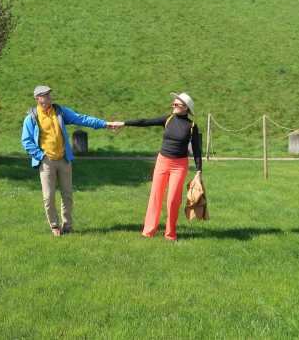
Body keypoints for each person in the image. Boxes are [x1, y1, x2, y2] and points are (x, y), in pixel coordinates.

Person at [21, 85, 120, 236]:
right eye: (45, 95)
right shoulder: (32, 118)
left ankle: (67, 226)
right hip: (46, 161)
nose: (49, 97)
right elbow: (26, 141)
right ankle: (54, 225)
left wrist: (105, 124)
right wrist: (41, 156)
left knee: (67, 195)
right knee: (48, 196)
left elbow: (81, 119)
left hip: (64, 160)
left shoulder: (59, 112)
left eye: (49, 94)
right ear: (37, 98)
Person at [114, 92, 202, 241]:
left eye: (176, 104)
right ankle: (149, 230)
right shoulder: (168, 119)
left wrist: (199, 170)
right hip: (162, 161)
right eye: (173, 104)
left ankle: (170, 233)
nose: (173, 106)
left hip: (179, 165)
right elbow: (145, 122)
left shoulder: (192, 126)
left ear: (186, 108)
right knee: (155, 195)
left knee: (173, 199)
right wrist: (123, 123)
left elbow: (197, 150)